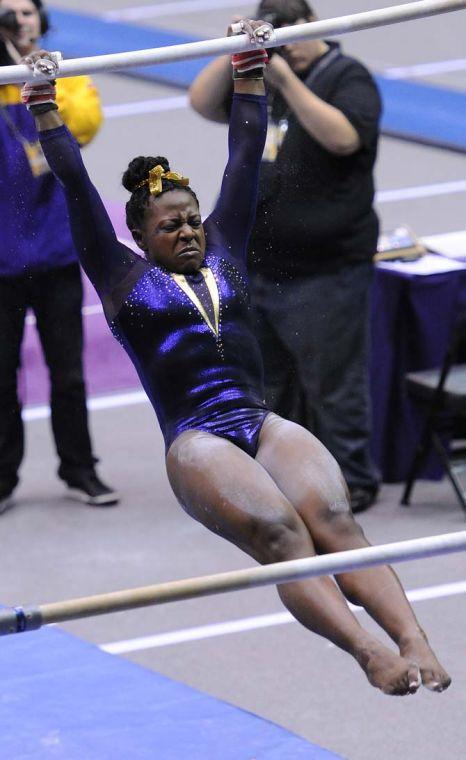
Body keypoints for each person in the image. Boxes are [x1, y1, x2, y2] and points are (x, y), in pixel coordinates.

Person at [23, 29, 451, 697]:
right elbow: (75, 184)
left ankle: (413, 635)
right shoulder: (120, 277)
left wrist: (250, 67)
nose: (188, 231)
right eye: (170, 227)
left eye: (192, 220)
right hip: (196, 439)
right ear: (138, 236)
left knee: (335, 519)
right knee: (283, 533)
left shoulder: (225, 246)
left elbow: (244, 156)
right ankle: (369, 650)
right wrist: (43, 103)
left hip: (257, 419)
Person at [189, 0, 381, 514]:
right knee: (270, 381)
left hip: (327, 268)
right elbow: (202, 103)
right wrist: (234, 49)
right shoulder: (261, 75)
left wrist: (287, 82)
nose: (287, 43)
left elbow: (344, 139)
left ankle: (353, 480)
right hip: (262, 266)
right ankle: (290, 474)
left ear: (314, 25)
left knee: (333, 383)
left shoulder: (346, 77)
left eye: (293, 31)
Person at [0, 0, 118, 512]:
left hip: (55, 253)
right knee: (2, 376)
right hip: (1, 260)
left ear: (41, 20)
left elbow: (87, 126)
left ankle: (80, 469)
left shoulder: (58, 72)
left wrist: (40, 80)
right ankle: (2, 478)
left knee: (68, 372)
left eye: (26, 12)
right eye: (7, 15)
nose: (19, 21)